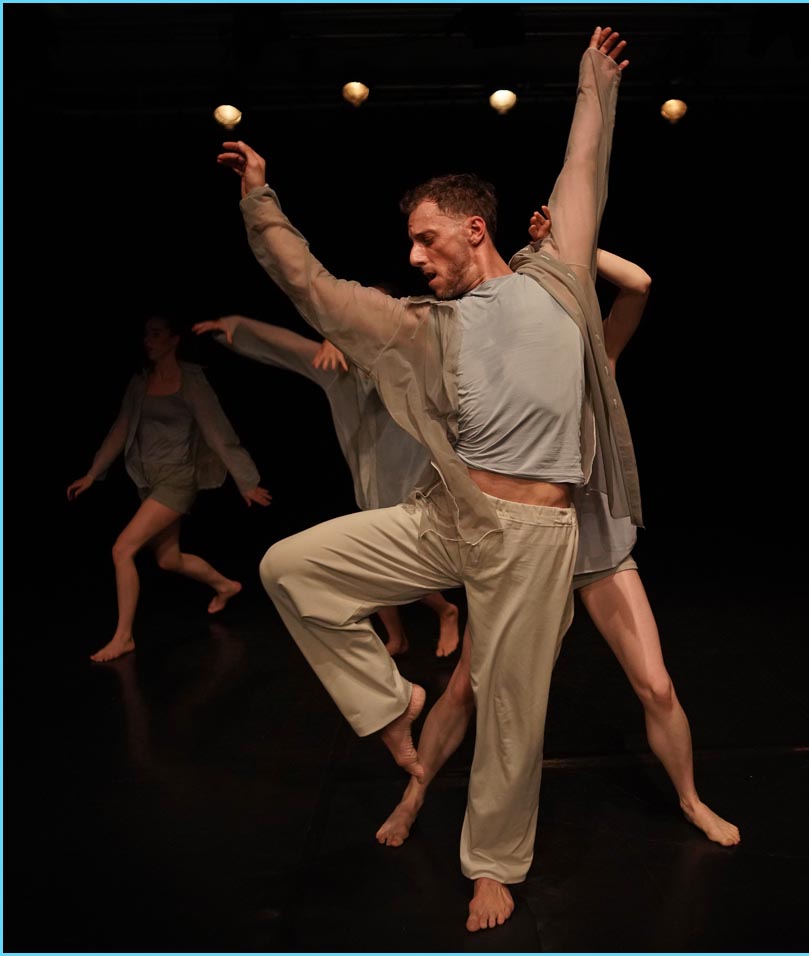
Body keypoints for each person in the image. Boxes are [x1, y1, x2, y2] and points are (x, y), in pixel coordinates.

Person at [216, 26, 636, 932]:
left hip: (535, 538)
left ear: (472, 229)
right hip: (451, 514)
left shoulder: (559, 277)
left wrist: (593, 82)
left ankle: (492, 866)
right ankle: (389, 700)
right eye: (410, 245)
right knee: (290, 568)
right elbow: (316, 289)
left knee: (511, 709)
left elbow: (582, 166)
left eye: (424, 239)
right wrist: (260, 200)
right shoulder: (424, 326)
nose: (412, 257)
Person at [375, 207, 741, 853]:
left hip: (594, 545)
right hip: (522, 547)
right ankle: (412, 797)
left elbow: (638, 283)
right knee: (464, 689)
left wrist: (563, 247)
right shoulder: (500, 369)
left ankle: (690, 800)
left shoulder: (594, 356)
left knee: (656, 685)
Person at [191, 295, 462, 658]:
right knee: (371, 563)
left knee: (401, 558)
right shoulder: (340, 369)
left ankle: (445, 610)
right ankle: (397, 636)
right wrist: (236, 327)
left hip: (412, 478)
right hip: (370, 482)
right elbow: (289, 348)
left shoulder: (410, 360)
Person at [67, 312, 272, 663]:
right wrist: (92, 473)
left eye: (156, 334)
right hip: (148, 479)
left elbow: (218, 433)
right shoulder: (141, 381)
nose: (148, 340)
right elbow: (121, 429)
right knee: (168, 559)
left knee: (122, 550)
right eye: (146, 334)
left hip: (177, 479)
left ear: (174, 339)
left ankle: (123, 637)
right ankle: (225, 585)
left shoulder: (191, 382)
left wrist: (247, 481)